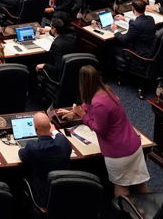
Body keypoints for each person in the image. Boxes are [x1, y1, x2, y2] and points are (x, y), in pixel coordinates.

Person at [60, 66, 149, 196]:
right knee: (140, 183)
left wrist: (83, 116)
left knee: (121, 186)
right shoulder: (107, 90)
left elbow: (99, 129)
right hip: (133, 145)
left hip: (119, 153)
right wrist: (75, 112)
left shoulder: (99, 104)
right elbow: (89, 104)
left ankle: (123, 213)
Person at [18, 112, 72, 211]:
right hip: (64, 193)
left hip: (43, 198)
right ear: (50, 126)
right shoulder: (64, 143)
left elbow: (21, 154)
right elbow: (60, 137)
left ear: (35, 129)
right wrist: (54, 130)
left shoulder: (32, 146)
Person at [113, 0, 157, 70]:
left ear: (133, 9)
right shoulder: (150, 18)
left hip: (139, 54)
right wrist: (124, 19)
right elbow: (138, 22)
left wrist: (115, 31)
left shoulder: (135, 25)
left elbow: (124, 39)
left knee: (112, 47)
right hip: (149, 50)